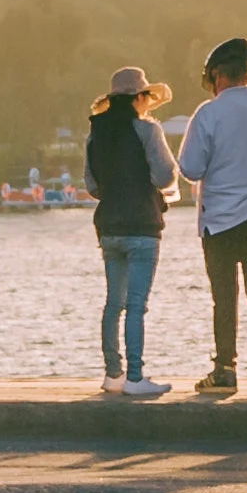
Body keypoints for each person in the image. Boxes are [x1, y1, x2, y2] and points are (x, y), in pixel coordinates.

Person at [179, 34, 247, 393]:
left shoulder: (208, 113)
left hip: (220, 218)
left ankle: (225, 370)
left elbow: (191, 168)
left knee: (224, 296)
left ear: (217, 77)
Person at [85, 67, 175, 397]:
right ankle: (136, 377)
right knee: (136, 305)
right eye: (146, 98)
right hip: (142, 226)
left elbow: (92, 185)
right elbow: (165, 176)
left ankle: (113, 374)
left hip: (108, 227)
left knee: (113, 303)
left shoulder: (95, 134)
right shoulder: (148, 131)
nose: (148, 104)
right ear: (138, 98)